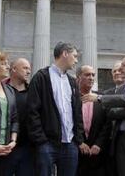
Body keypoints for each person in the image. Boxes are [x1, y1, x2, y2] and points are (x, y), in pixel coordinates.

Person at [27, 42, 84, 176]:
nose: (76, 60)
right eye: (74, 56)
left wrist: (78, 139)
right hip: (47, 144)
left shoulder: (72, 81)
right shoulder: (41, 77)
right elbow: (32, 110)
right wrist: (41, 140)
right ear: (65, 53)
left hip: (70, 144)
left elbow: (77, 112)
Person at [76, 65, 111, 176]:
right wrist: (79, 142)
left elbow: (107, 123)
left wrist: (99, 144)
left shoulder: (101, 97)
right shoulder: (71, 98)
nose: (91, 77)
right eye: (87, 75)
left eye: (93, 75)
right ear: (78, 78)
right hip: (77, 153)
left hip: (98, 154)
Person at [3, 58, 33, 176]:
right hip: (5, 146)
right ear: (14, 69)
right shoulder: (0, 89)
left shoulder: (33, 92)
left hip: (28, 148)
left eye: (29, 69)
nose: (29, 72)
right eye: (25, 68)